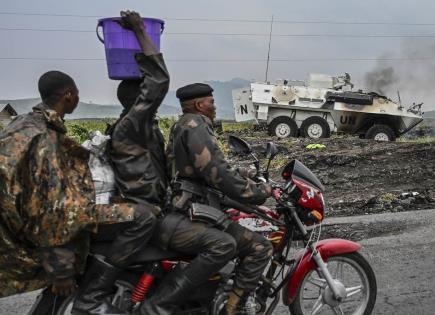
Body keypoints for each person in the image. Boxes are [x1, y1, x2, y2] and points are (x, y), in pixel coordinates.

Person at [135, 83, 274, 315]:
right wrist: (259, 194)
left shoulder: (184, 125)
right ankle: (225, 309)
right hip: (187, 211)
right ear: (200, 105)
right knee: (251, 246)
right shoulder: (195, 125)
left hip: (187, 206)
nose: (215, 107)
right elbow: (216, 172)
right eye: (211, 102)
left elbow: (201, 168)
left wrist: (243, 174)